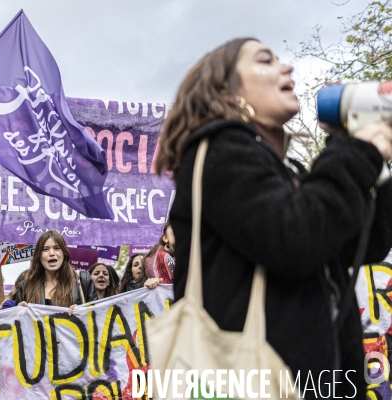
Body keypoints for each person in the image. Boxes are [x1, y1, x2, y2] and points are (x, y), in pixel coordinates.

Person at [158, 38, 392, 398]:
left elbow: (360, 244)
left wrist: (376, 161)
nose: (287, 68)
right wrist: (356, 149)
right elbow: (295, 240)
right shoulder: (218, 153)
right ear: (226, 90)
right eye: (265, 61)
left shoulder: (290, 171)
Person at [15, 231, 95, 309]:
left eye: (57, 248)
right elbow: (16, 321)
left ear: (64, 253)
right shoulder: (25, 287)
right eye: (45, 249)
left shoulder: (83, 280)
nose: (52, 253)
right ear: (39, 256)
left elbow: (98, 316)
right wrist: (17, 314)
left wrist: (84, 313)